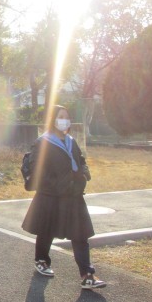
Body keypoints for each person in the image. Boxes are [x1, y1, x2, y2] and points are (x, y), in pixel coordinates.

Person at [21, 104, 107, 290]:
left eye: (67, 117)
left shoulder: (71, 141)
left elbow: (80, 160)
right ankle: (41, 260)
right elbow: (37, 171)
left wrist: (84, 174)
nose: (65, 120)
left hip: (73, 195)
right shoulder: (43, 143)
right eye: (61, 117)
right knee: (46, 230)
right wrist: (60, 184)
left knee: (80, 234)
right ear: (52, 119)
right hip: (51, 196)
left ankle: (87, 274)